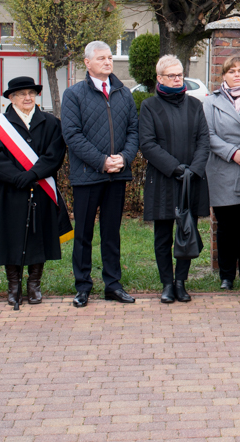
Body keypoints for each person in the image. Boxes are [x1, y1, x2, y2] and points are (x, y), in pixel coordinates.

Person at [61, 41, 139, 307]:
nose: (108, 62)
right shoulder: (74, 94)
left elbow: (133, 131)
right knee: (83, 233)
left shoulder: (123, 93)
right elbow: (72, 135)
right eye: (102, 58)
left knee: (111, 232)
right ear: (87, 63)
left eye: (110, 58)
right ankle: (83, 286)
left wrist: (124, 158)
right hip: (87, 176)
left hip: (117, 175)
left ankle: (113, 285)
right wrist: (102, 161)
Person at [0, 77, 70, 308]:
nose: (27, 98)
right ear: (11, 98)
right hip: (10, 191)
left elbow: (55, 154)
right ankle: (13, 286)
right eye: (21, 94)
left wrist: (31, 175)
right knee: (12, 237)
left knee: (38, 236)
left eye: (31, 93)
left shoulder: (51, 123)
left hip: (40, 189)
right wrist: (16, 177)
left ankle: (34, 285)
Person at [139, 55, 210, 304]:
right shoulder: (149, 106)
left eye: (180, 74)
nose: (177, 78)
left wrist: (194, 169)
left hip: (191, 179)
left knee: (186, 231)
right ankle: (167, 284)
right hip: (163, 180)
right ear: (160, 78)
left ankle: (181, 282)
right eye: (172, 75)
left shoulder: (194, 105)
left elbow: (204, 140)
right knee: (163, 236)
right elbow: (147, 144)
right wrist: (175, 168)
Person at [203, 54, 240, 291]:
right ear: (224, 75)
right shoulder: (211, 101)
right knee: (226, 227)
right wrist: (232, 152)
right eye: (231, 71)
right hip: (223, 168)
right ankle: (226, 276)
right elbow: (207, 134)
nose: (236, 74)